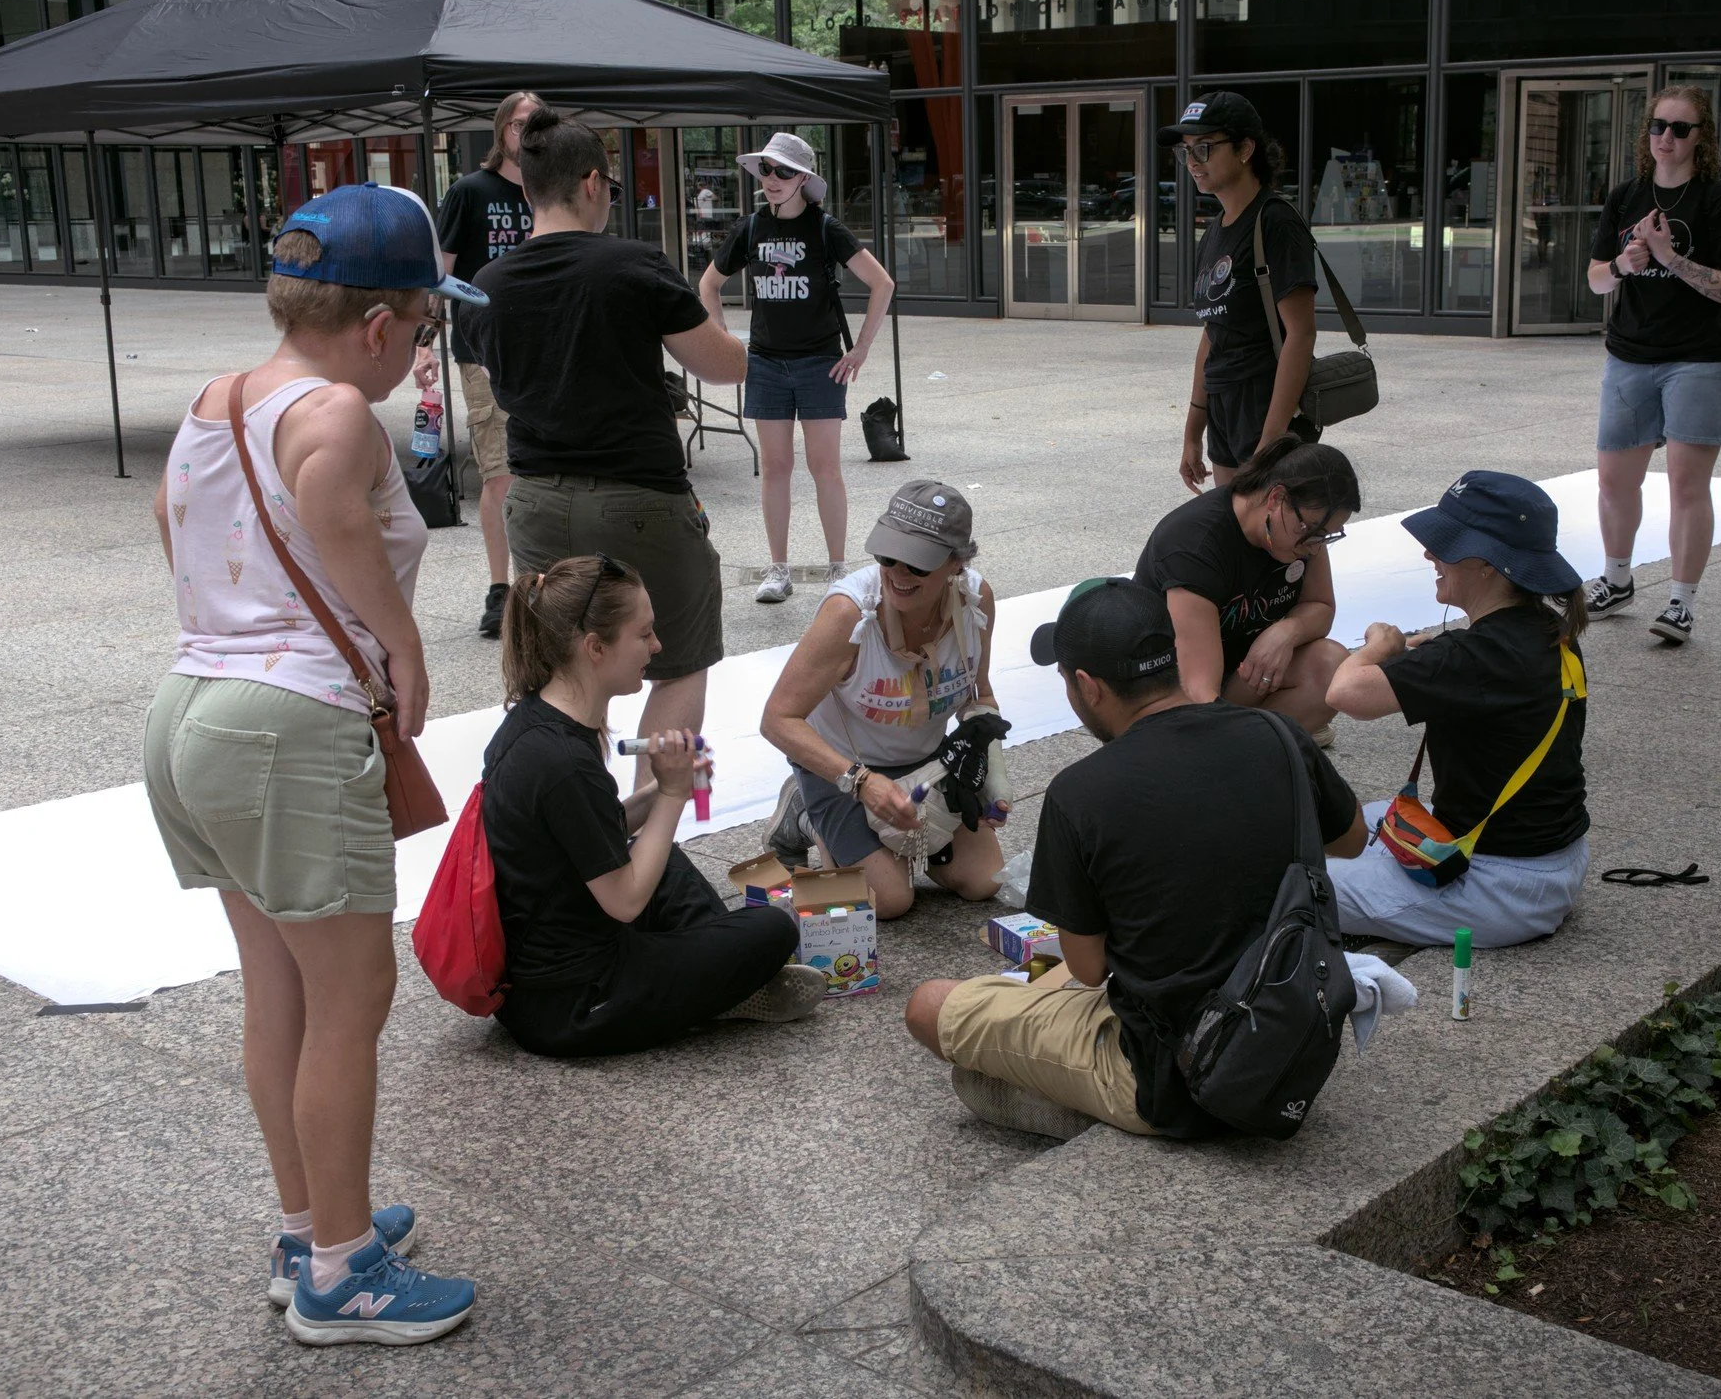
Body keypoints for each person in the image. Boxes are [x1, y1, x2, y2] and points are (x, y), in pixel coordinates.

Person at [144, 183, 480, 1345]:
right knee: (351, 998)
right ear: (380, 321)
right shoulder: (337, 410)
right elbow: (335, 507)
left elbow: (167, 519)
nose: (421, 350)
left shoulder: (215, 400)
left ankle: (310, 1228)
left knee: (278, 988)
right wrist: (402, 646)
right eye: (425, 326)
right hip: (285, 724)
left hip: (191, 705)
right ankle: (343, 1276)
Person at [903, 579, 1366, 1140]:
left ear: (1087, 687)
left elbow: (1090, 968)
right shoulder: (1278, 732)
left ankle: (1076, 1106)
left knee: (930, 1006)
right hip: (1291, 1030)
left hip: (1172, 1079)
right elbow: (1353, 840)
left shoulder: (1080, 793)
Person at [470, 106, 746, 790]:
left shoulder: (489, 286)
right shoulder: (633, 265)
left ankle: (577, 823)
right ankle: (652, 836)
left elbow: (500, 389)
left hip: (534, 499)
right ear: (593, 182)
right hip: (639, 496)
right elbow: (722, 366)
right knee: (677, 659)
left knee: (563, 675)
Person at [483, 554, 826, 1057]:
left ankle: (717, 976)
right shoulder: (564, 762)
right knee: (774, 927)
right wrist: (669, 795)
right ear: (595, 647)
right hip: (576, 1004)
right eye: (643, 635)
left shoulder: (534, 722)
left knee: (660, 854)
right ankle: (723, 982)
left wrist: (654, 795)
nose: (657, 646)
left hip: (547, 974)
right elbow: (623, 900)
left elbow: (583, 836)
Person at [1326, 471, 1591, 949]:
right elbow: (1482, 680)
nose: (1430, 555)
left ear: (1487, 563)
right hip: (1552, 858)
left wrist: (1378, 645)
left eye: (1444, 546)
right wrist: (1427, 663)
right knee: (1340, 818)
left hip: (1500, 885)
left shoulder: (1474, 656)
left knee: (1284, 889)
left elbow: (1346, 694)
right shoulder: (1545, 629)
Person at [759, 482, 1008, 921]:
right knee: (891, 901)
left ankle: (904, 844)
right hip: (844, 767)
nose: (897, 572)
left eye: (916, 563)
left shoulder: (975, 600)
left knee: (984, 880)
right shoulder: (849, 614)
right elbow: (777, 720)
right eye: (886, 556)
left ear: (956, 562)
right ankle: (804, 813)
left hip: (926, 766)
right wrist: (860, 782)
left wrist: (989, 768)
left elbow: (978, 695)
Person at [1582, 84, 1721, 646]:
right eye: (1658, 126)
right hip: (1631, 353)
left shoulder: (1720, 201)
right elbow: (1595, 279)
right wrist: (1625, 263)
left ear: (1701, 139)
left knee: (1686, 484)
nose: (1666, 138)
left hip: (1702, 359)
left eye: (1680, 129)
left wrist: (1668, 257)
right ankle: (1617, 578)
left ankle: (1681, 602)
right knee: (1614, 480)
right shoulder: (1627, 195)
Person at [698, 132, 896, 604]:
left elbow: (881, 283)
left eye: (783, 171)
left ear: (803, 178)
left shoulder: (826, 228)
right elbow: (708, 285)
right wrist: (727, 344)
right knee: (776, 468)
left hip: (821, 363)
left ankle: (837, 570)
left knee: (824, 467)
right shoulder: (750, 228)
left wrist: (861, 349)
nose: (772, 179)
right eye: (766, 170)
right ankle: (779, 569)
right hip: (766, 363)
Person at [1133, 435, 1358, 743]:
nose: (1315, 548)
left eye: (1328, 536)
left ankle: (1257, 744)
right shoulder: (1195, 544)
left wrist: (1286, 632)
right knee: (1202, 728)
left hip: (1239, 675)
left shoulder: (1301, 535)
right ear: (1276, 498)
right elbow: (1198, 689)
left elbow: (1321, 606)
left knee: (1331, 666)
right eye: (1313, 531)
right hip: (1167, 689)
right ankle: (1247, 748)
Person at [414, 90, 539, 640]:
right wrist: (423, 344)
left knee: (545, 469)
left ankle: (541, 587)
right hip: (482, 349)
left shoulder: (553, 190)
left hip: (546, 348)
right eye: (519, 124)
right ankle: (501, 589)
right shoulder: (470, 191)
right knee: (500, 471)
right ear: (500, 130)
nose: (528, 133)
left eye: (538, 124)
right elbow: (438, 275)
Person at [1163, 92, 1318, 493]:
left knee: (1285, 538)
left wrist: (1271, 441)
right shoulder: (1216, 230)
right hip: (1223, 407)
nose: (1193, 162)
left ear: (1246, 148)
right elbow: (1211, 334)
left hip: (1265, 405)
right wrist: (1192, 432)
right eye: (1186, 152)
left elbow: (1300, 334)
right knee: (1234, 536)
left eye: (1204, 148)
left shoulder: (1275, 223)